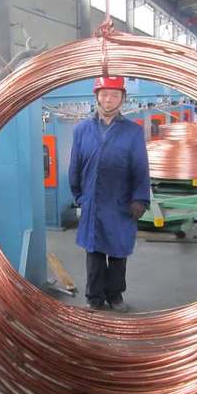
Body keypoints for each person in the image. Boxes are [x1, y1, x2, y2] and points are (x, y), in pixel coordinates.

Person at [68, 76, 151, 312]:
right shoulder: (81, 129)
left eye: (115, 95)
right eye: (104, 94)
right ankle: (94, 297)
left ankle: (115, 295)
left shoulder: (133, 131)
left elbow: (140, 167)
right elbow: (75, 166)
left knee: (117, 252)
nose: (109, 99)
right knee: (93, 253)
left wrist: (140, 199)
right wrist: (79, 196)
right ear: (96, 97)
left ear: (123, 99)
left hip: (120, 200)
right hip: (93, 200)